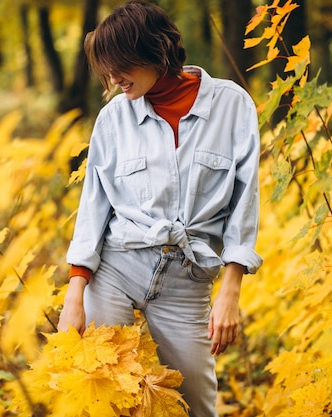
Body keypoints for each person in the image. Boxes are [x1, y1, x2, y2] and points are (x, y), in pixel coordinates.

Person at [57, 2, 263, 416]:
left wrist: (231, 288)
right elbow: (93, 207)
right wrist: (75, 292)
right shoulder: (113, 118)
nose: (113, 79)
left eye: (120, 66)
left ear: (156, 50)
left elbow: (245, 201)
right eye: (106, 70)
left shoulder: (232, 106)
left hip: (187, 281)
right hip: (117, 267)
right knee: (107, 395)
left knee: (196, 405)